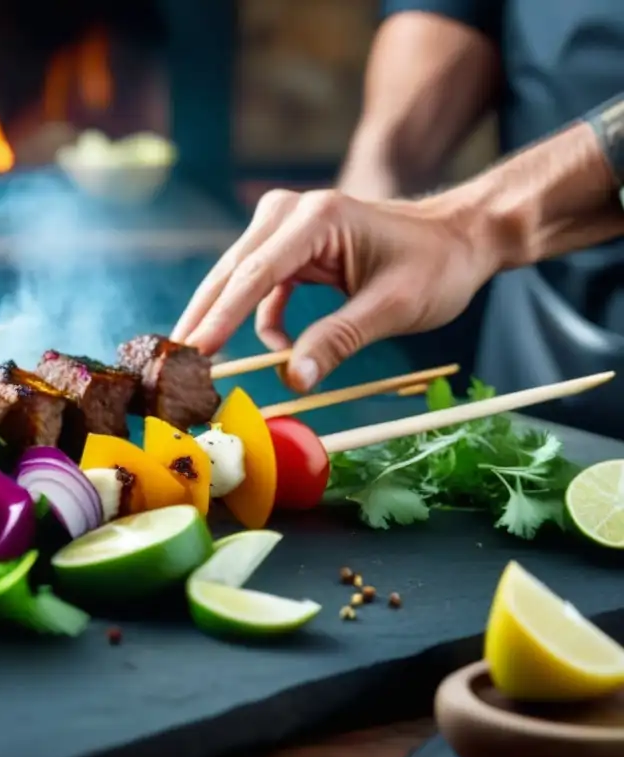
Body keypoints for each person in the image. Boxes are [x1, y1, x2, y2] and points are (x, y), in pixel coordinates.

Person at [173, 3, 624, 435]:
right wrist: (352, 220)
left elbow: (475, 224)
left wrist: (467, 227)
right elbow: (402, 128)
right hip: (534, 343)